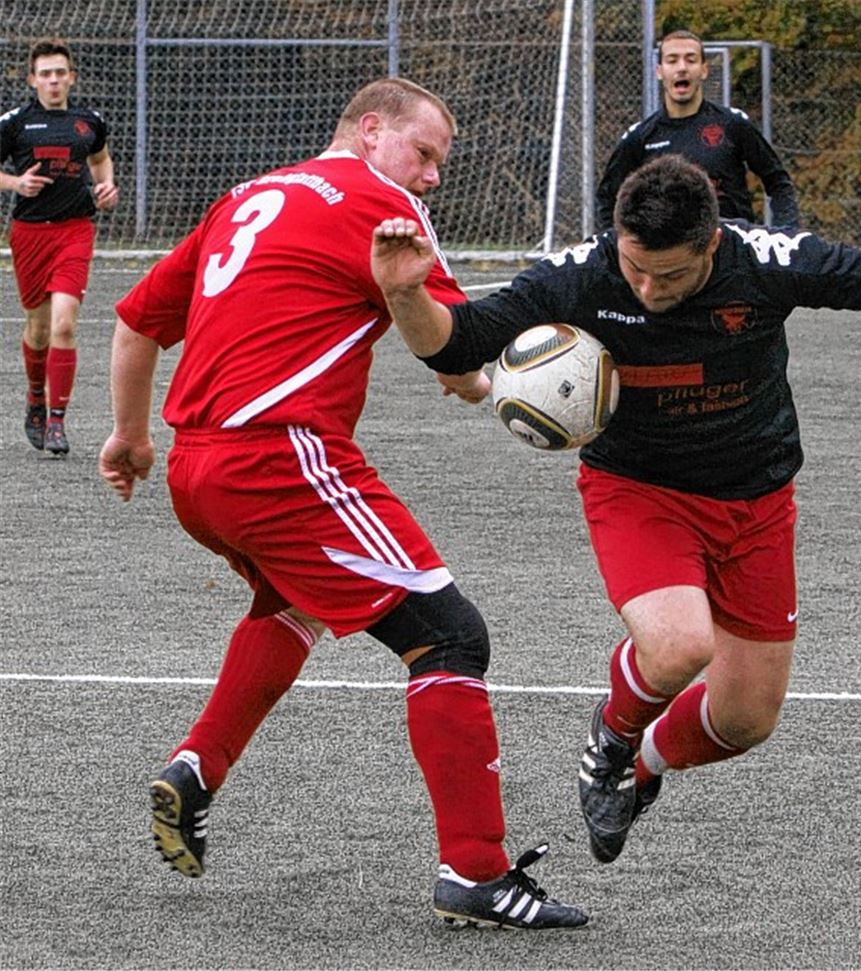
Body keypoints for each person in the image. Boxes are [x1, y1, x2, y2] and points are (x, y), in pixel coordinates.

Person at [370, 153, 861, 865]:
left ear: (711, 248)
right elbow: (454, 345)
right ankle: (612, 732)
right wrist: (408, 292)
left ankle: (638, 770)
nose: (646, 289)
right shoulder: (582, 275)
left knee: (745, 719)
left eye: (667, 277)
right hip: (641, 492)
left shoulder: (766, 263)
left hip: (759, 499)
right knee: (677, 649)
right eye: (636, 268)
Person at [97, 77, 586, 929]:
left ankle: (197, 765)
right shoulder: (381, 203)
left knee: (293, 600)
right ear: (370, 131)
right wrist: (479, 381)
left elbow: (137, 321)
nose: (430, 177)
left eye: (438, 162)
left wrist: (129, 437)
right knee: (448, 632)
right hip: (279, 460)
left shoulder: (248, 194)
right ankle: (477, 870)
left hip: (194, 471)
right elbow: (454, 346)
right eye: (425, 153)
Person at [1, 37, 118, 456]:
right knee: (38, 328)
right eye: (45, 74)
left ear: (72, 77)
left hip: (75, 229)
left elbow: (100, 159)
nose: (53, 81)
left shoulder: (89, 121)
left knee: (64, 324)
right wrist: (16, 183)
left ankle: (57, 420)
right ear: (33, 79)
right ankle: (36, 396)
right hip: (30, 233)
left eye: (60, 73)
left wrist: (105, 186)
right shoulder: (14, 123)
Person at [595, 29, 798, 233]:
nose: (682, 68)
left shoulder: (733, 124)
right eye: (672, 60)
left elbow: (778, 182)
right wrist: (617, 247)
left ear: (704, 70)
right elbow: (606, 198)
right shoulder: (640, 137)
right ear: (659, 71)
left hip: (731, 254)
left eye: (691, 60)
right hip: (670, 257)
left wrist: (786, 233)